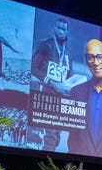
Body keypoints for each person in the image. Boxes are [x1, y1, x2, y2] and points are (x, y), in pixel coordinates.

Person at [30, 17, 74, 150]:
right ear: (54, 28)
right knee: (51, 136)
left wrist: (70, 84)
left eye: (64, 29)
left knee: (57, 136)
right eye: (59, 28)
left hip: (62, 96)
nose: (61, 31)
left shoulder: (68, 51)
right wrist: (50, 82)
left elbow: (69, 73)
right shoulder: (45, 44)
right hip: (46, 94)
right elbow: (33, 67)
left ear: (67, 32)